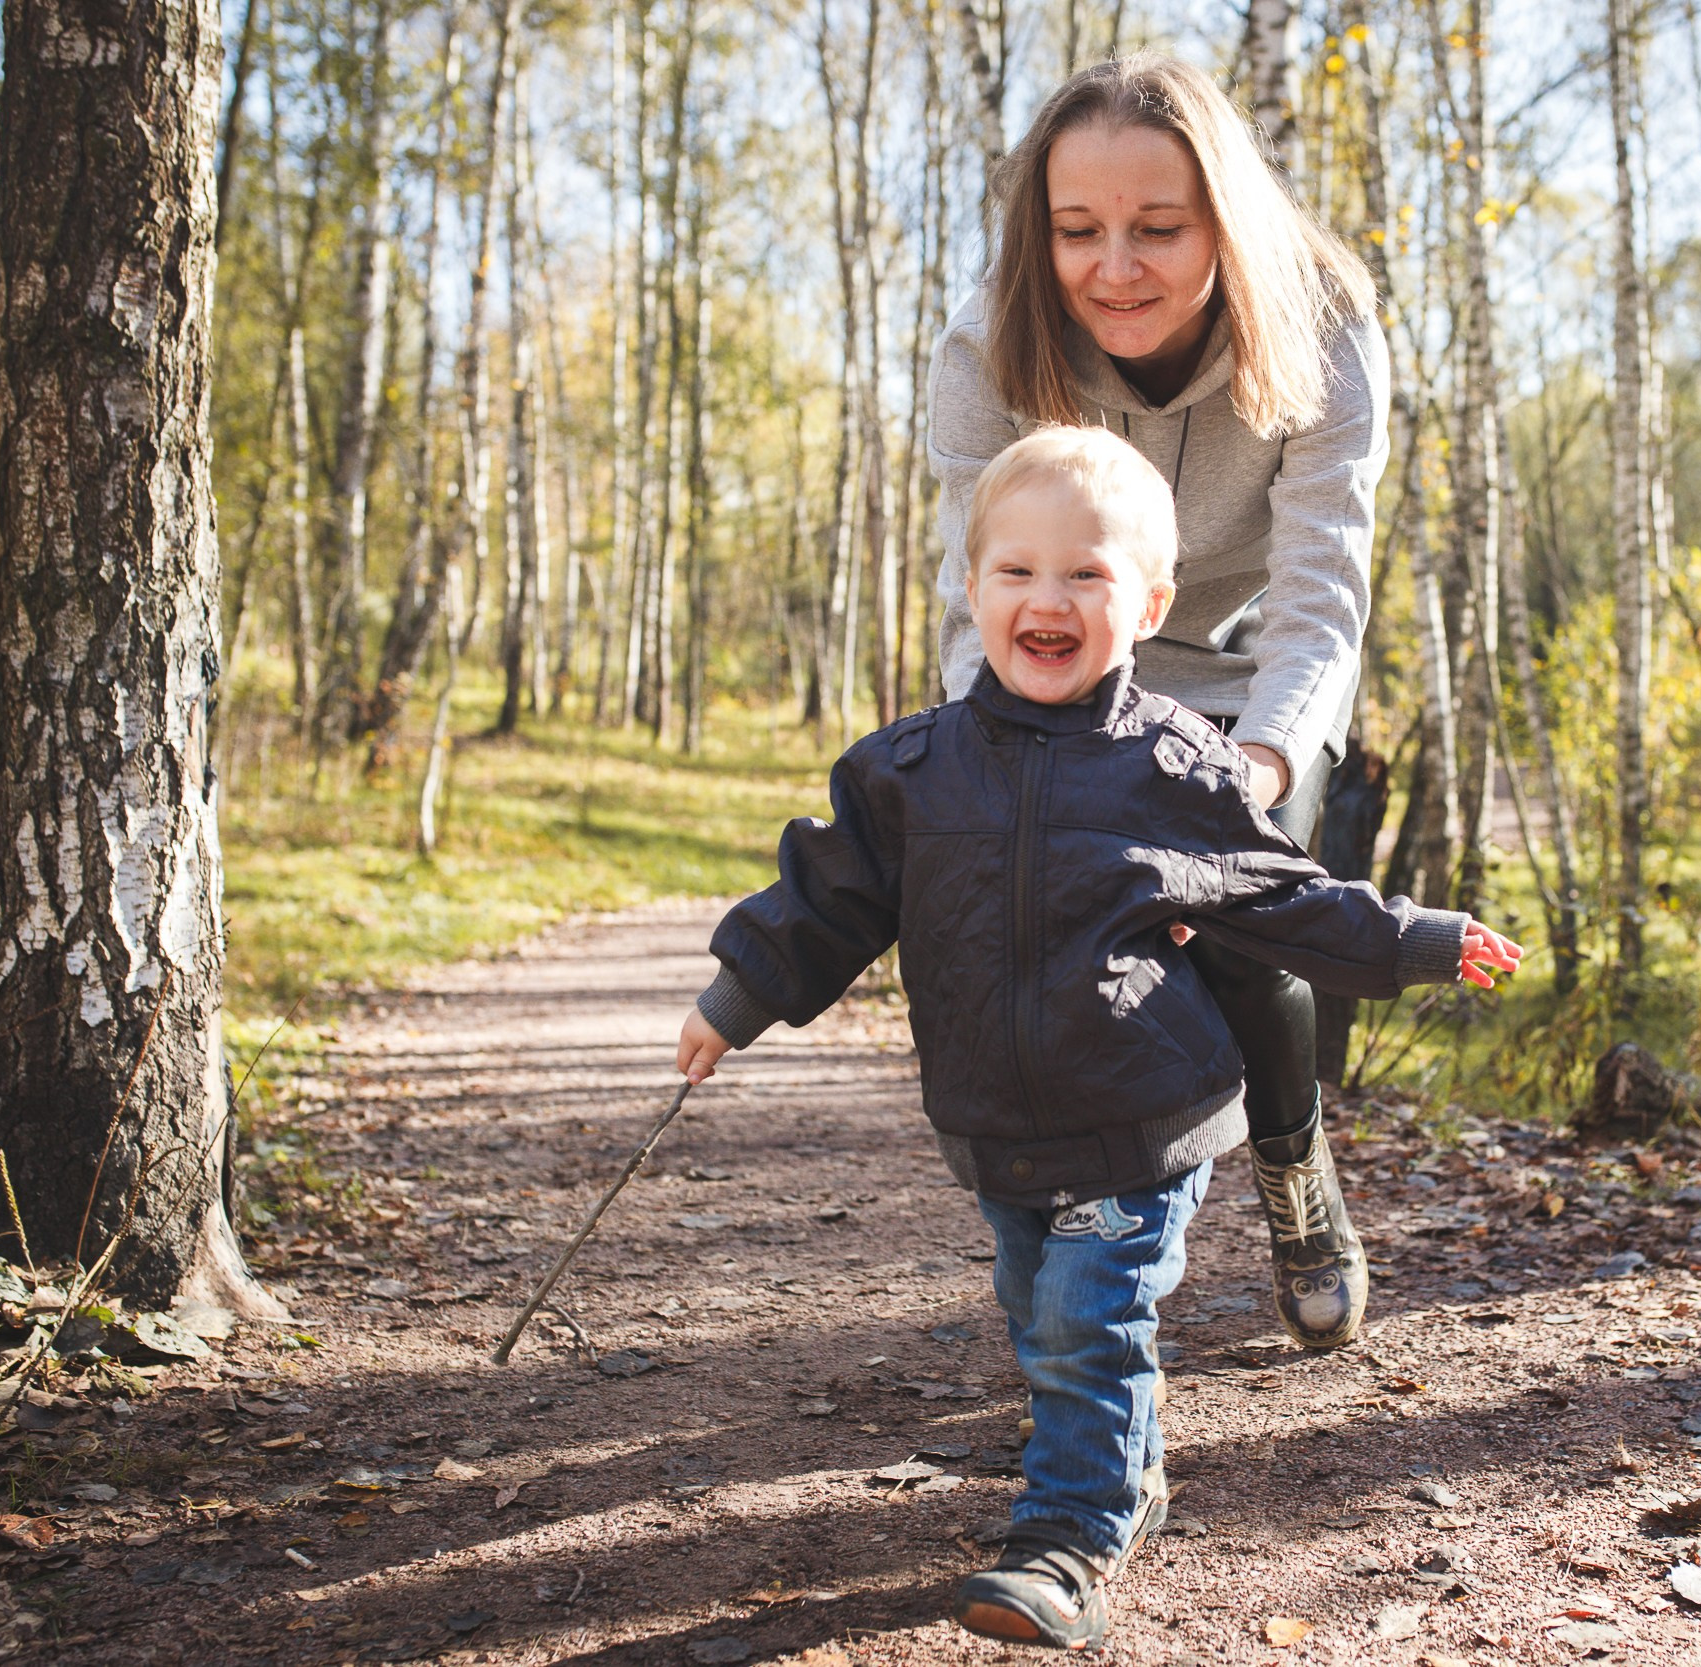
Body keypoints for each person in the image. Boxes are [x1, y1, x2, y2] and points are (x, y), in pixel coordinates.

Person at [676, 428, 1519, 1649]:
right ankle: (1129, 1470)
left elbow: (1285, 899)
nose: (1048, 598)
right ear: (973, 592)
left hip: (1137, 1114)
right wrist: (735, 998)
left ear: (1152, 602)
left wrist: (1419, 938)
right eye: (1016, 571)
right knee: (1042, 1311)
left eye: (1088, 573)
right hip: (995, 1118)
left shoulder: (1175, 770)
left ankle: (1070, 1532)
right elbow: (827, 898)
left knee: (1087, 1317)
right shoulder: (911, 771)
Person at [927, 53, 1390, 1352]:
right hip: (1068, 665)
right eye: (1079, 230)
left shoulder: (1329, 326)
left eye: (1159, 228)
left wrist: (1260, 765)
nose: (1115, 265)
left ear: (1224, 220)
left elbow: (1320, 592)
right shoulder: (991, 343)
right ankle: (1092, 1259)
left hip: (1248, 675)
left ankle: (1294, 1163)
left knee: (1239, 918)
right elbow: (982, 599)